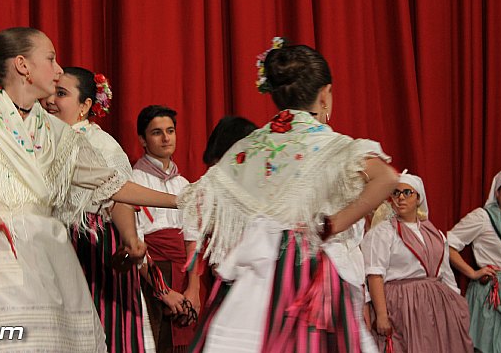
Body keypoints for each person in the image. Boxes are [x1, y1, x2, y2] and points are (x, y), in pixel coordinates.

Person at [0, 27, 178, 352]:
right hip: (1, 269)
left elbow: (113, 184)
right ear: (23, 66)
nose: (58, 69)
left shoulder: (57, 133)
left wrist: (182, 199)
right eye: (50, 59)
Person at [179, 40, 397, 352]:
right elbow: (386, 178)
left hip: (256, 276)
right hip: (307, 273)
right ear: (324, 94)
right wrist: (336, 222)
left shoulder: (250, 146)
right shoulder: (332, 145)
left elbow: (198, 197)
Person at [42, 66, 148, 353]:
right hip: (52, 253)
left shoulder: (102, 145)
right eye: (50, 92)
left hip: (93, 252)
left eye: (61, 93)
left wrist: (129, 238)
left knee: (102, 335)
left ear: (85, 105)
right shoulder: (40, 141)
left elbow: (120, 197)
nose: (50, 99)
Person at [361, 172, 472, 353]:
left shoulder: (434, 233)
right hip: (402, 304)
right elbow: (375, 275)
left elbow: (445, 272)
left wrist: (457, 304)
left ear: (419, 197)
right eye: (395, 193)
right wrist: (381, 315)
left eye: (407, 192)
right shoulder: (383, 232)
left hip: (437, 305)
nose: (400, 198)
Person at [133, 105, 199, 353]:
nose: (166, 138)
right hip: (150, 274)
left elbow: (192, 239)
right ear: (142, 139)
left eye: (170, 131)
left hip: (183, 273)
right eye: (157, 132)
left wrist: (193, 289)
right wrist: (163, 291)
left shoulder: (184, 184)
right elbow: (135, 240)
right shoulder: (134, 180)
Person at [447, 167, 501, 353]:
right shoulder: (483, 217)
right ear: (497, 192)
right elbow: (447, 244)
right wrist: (472, 273)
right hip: (495, 292)